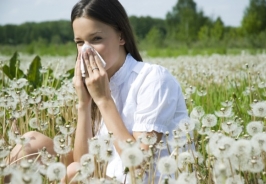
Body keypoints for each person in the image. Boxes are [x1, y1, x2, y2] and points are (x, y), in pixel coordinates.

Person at [8, 0, 189, 183]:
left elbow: (138, 166)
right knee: (29, 143)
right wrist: (83, 104)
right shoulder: (98, 83)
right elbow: (83, 160)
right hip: (104, 174)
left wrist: (104, 100)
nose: (86, 50)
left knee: (74, 172)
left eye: (96, 39)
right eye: (80, 42)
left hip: (142, 179)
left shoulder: (153, 79)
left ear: (121, 36)